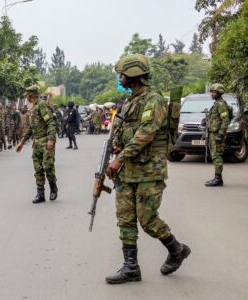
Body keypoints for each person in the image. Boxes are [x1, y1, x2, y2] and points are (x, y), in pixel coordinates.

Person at [105, 54, 190, 284]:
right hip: (128, 171)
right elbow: (129, 132)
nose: (120, 77)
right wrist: (117, 146)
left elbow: (146, 134)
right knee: (125, 219)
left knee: (147, 220)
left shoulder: (154, 100)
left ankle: (176, 249)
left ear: (132, 74)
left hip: (149, 172)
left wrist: (119, 158)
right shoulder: (131, 101)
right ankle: (131, 267)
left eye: (122, 73)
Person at [16, 86, 58, 204]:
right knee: (38, 169)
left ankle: (53, 187)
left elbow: (50, 123)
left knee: (48, 166)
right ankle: (40, 194)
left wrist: (51, 139)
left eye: (28, 95)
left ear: (32, 95)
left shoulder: (42, 105)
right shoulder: (34, 108)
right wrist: (22, 142)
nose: (27, 97)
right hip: (36, 143)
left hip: (46, 142)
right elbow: (30, 127)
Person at [204, 83, 230, 187]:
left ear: (219, 93)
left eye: (214, 92)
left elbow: (226, 120)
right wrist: (206, 121)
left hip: (216, 134)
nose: (212, 94)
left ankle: (218, 179)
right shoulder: (216, 103)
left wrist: (220, 134)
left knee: (217, 156)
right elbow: (216, 119)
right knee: (214, 155)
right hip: (212, 133)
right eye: (211, 92)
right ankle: (217, 177)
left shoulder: (221, 104)